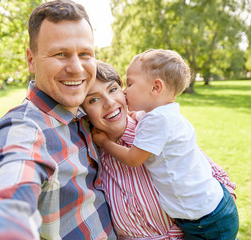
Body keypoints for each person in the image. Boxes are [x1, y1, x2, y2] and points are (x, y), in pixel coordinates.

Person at [0, 1, 116, 239]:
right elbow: (8, 193)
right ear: (31, 60)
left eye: (85, 54)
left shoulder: (86, 113)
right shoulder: (25, 130)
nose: (77, 68)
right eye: (60, 54)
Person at [87, 58, 239, 239]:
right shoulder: (90, 154)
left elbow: (216, 174)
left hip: (204, 223)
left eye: (113, 89)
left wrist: (105, 142)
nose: (110, 102)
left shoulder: (155, 129)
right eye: (93, 99)